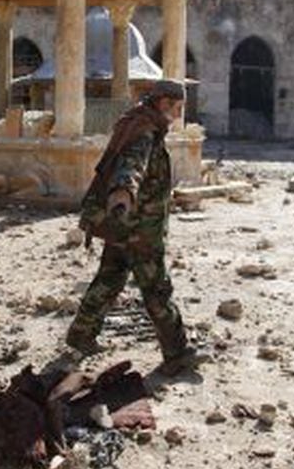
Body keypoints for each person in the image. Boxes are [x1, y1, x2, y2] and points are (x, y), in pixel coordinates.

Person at [66, 79, 208, 375]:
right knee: (157, 290)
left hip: (123, 227)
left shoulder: (139, 124)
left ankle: (81, 336)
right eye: (176, 108)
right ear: (163, 104)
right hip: (140, 230)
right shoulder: (144, 132)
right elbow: (131, 167)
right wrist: (122, 194)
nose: (178, 115)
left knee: (108, 280)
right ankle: (177, 352)